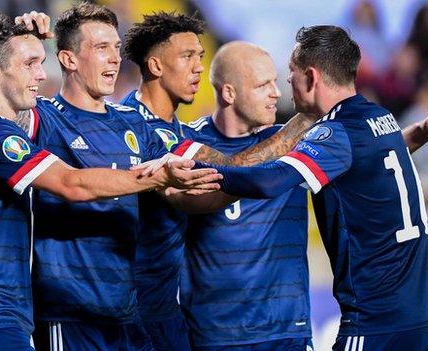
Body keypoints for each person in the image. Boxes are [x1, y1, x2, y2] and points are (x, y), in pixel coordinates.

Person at [0, 14, 219, 351]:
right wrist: (157, 176)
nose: (41, 74)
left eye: (40, 62)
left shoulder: (4, 129)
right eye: (30, 64)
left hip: (12, 307)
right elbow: (71, 184)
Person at [200, 25, 428, 350]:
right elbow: (369, 159)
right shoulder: (380, 118)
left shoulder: (335, 132)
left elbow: (270, 181)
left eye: (290, 73)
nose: (284, 85)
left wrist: (195, 170)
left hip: (375, 319)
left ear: (311, 76)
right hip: (418, 312)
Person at [120, 12, 317, 351]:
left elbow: (370, 153)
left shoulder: (172, 130)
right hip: (159, 316)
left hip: (279, 329)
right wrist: (307, 119)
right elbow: (232, 172)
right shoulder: (148, 130)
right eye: (187, 57)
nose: (198, 66)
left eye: (200, 56)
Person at [180, 41, 312, 351]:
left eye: (275, 82)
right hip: (214, 334)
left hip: (286, 331)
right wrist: (302, 123)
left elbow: (364, 159)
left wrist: (410, 137)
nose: (276, 93)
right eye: (263, 85)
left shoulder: (297, 142)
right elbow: (236, 170)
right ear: (229, 93)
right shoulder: (186, 142)